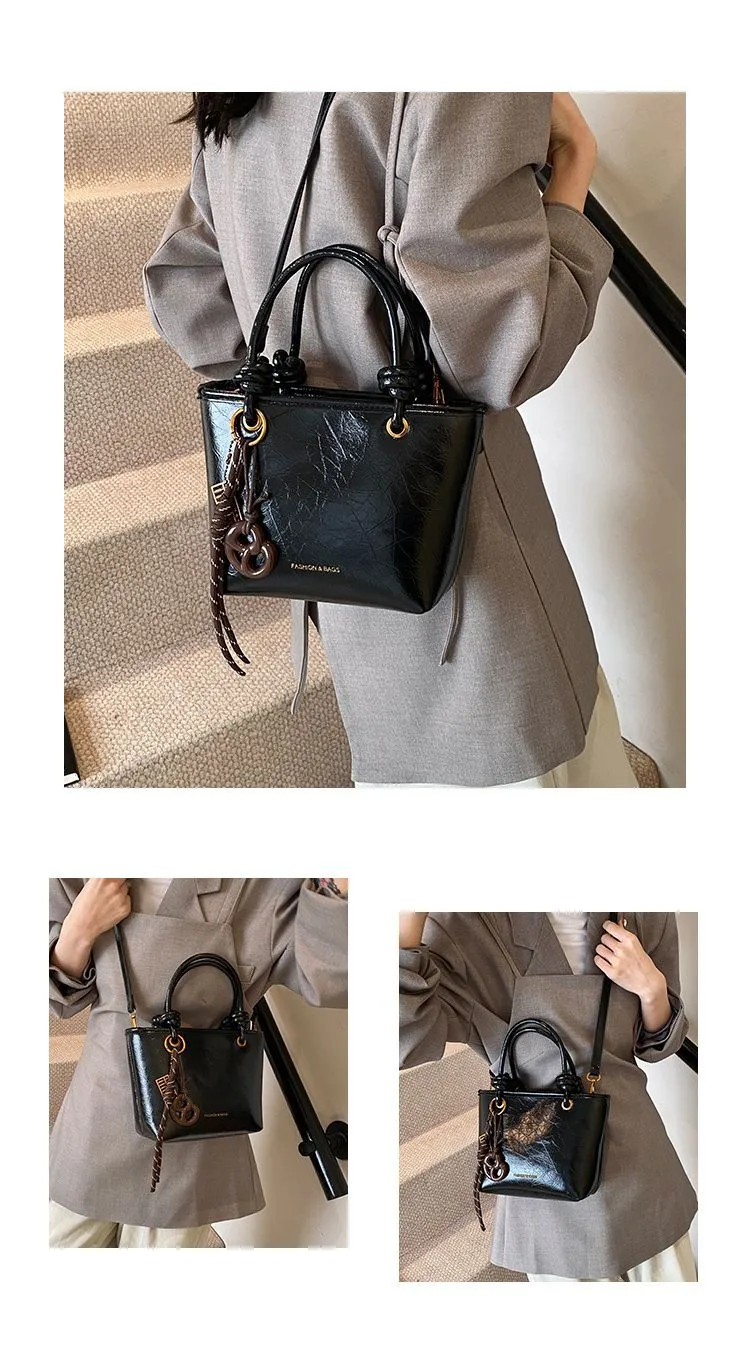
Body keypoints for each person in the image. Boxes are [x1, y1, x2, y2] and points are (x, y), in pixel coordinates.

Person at [144, 92, 637, 787]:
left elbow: (187, 289)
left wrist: (311, 397)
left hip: (336, 576)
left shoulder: (238, 83)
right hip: (474, 604)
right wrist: (575, 161)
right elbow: (500, 352)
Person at [49, 877, 348, 1247]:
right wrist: (80, 927)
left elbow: (333, 979)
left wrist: (338, 887)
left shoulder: (269, 885)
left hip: (194, 1138)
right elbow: (59, 997)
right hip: (99, 1115)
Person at [399, 911, 697, 1280]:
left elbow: (658, 1045)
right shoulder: (466, 923)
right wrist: (405, 925)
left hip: (640, 1165)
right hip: (542, 1175)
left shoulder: (643, 911)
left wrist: (652, 988)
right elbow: (403, 1040)